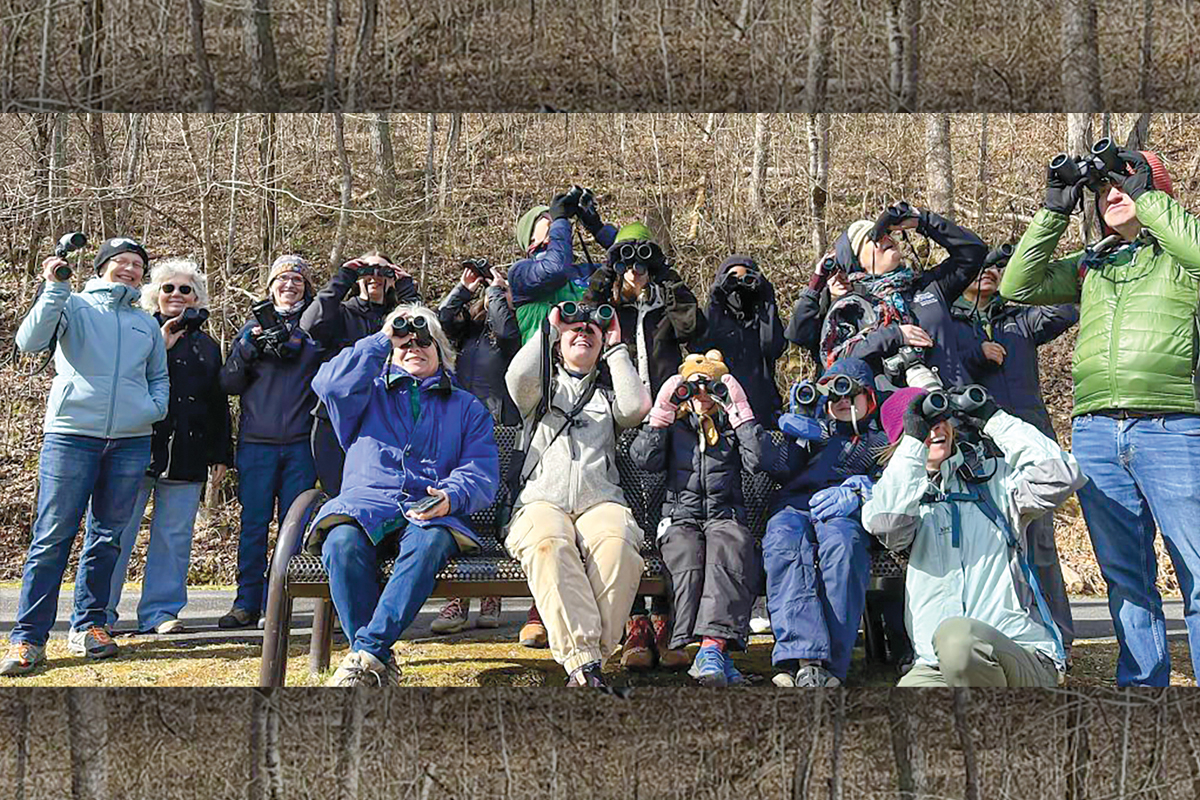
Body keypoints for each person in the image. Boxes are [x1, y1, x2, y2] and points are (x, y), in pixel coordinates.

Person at [1000, 145, 1200, 687]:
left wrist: (1143, 193)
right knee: (1125, 577)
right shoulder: (1095, 264)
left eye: (1125, 184)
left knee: (1197, 571)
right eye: (1102, 190)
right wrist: (1053, 210)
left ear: (1155, 191)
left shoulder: (1182, 256)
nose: (1111, 194)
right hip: (1095, 432)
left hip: (1174, 427)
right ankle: (1142, 689)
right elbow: (1016, 286)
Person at [1, 237, 167, 676]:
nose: (130, 270)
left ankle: (90, 626)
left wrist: (152, 409)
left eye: (137, 264)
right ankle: (28, 638)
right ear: (101, 268)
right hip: (72, 435)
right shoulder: (72, 305)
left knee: (108, 536)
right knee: (53, 536)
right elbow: (29, 341)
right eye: (121, 262)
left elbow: (158, 376)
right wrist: (53, 288)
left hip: (130, 441)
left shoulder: (144, 323)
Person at [309, 305, 499, 686]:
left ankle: (366, 656)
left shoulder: (466, 407)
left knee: (429, 542)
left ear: (442, 352)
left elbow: (481, 471)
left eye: (425, 340)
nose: (414, 347)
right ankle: (374, 658)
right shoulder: (365, 395)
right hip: (366, 505)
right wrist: (382, 339)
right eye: (404, 342)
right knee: (341, 543)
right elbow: (329, 384)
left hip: (431, 510)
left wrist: (450, 495)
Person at [862, 386, 1085, 687]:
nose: (935, 428)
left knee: (957, 639)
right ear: (903, 441)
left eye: (940, 419)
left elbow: (1061, 475)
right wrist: (914, 443)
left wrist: (994, 419)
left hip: (1019, 653)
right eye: (923, 424)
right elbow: (888, 525)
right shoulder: (896, 501)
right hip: (935, 665)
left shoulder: (997, 481)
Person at [504, 301, 652, 687]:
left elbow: (636, 408)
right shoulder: (538, 394)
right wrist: (549, 329)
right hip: (540, 501)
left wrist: (617, 345)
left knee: (619, 545)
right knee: (550, 544)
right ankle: (588, 666)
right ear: (558, 343)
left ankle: (586, 663)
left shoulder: (605, 398)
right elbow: (517, 377)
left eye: (592, 330)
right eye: (575, 329)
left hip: (599, 500)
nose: (583, 332)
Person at [584, 223, 706, 668]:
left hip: (669, 421)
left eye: (643, 261)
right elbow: (581, 323)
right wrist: (605, 275)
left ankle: (665, 616)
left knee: (667, 512)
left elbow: (694, 326)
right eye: (627, 261)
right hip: (615, 420)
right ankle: (633, 620)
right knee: (626, 514)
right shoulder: (607, 309)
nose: (636, 270)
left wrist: (666, 276)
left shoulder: (662, 306)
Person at [952, 244, 1079, 655]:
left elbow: (1067, 308)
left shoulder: (1019, 318)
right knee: (989, 543)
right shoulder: (948, 322)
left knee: (1040, 540)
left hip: (1028, 441)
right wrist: (976, 353)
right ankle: (1003, 637)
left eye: (995, 267)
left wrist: (1017, 284)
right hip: (978, 447)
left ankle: (1058, 636)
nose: (987, 272)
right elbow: (943, 369)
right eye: (979, 267)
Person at [508, 188, 619, 645]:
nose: (559, 228)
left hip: (594, 384)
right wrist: (558, 218)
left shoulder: (581, 271)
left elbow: (630, 261)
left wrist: (595, 224)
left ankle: (585, 634)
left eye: (559, 223)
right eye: (549, 225)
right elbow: (554, 264)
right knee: (551, 508)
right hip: (542, 387)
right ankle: (551, 617)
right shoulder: (525, 273)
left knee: (591, 511)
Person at [107, 259, 232, 635]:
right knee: (116, 534)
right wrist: (159, 345)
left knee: (174, 537)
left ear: (196, 298)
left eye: (185, 290)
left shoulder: (208, 346)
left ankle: (160, 613)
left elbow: (216, 401)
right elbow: (119, 381)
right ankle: (99, 614)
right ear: (154, 294)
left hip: (188, 455)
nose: (176, 295)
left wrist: (222, 454)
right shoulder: (135, 330)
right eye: (168, 288)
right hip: (134, 449)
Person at [629, 351, 767, 685]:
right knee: (688, 555)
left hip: (725, 514)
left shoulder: (731, 427)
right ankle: (711, 652)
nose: (703, 395)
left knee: (727, 550)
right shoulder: (675, 427)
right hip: (680, 516)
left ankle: (710, 647)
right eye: (694, 387)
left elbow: (759, 461)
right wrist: (661, 415)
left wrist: (741, 413)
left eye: (712, 387)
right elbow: (644, 460)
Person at [760, 357, 889, 687]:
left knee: (842, 548)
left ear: (869, 398)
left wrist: (864, 493)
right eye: (833, 395)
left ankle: (830, 664)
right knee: (784, 542)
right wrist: (795, 434)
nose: (842, 400)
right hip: (797, 506)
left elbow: (898, 483)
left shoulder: (882, 439)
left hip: (846, 513)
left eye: (850, 393)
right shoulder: (812, 433)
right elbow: (778, 470)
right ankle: (801, 656)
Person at [218, 255, 324, 629]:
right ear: (270, 286)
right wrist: (248, 346)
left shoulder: (315, 327)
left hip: (299, 444)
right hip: (256, 444)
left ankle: (276, 603)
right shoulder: (250, 329)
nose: (290, 285)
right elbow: (228, 384)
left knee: (292, 527)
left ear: (306, 288)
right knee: (254, 524)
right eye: (282, 279)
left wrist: (301, 340)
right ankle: (245, 602)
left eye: (297, 279)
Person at [430, 260, 521, 633]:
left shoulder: (512, 328)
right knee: (460, 503)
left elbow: (505, 327)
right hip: (460, 423)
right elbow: (443, 319)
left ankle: (491, 592)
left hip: (500, 424)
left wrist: (499, 291)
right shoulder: (467, 331)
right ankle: (457, 598)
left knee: (494, 506)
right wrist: (465, 289)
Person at [819, 204, 987, 391]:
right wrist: (894, 335)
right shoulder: (851, 307)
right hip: (900, 413)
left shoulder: (927, 286)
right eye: (873, 238)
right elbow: (835, 361)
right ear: (857, 262)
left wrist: (923, 220)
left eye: (887, 234)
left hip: (961, 401)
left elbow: (974, 252)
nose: (885, 238)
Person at [301, 251, 420, 497]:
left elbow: (427, 337)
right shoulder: (340, 313)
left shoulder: (398, 318)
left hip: (384, 417)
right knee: (337, 493)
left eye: (384, 272)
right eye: (367, 271)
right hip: (333, 417)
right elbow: (309, 325)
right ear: (357, 279)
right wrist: (342, 277)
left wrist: (408, 292)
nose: (375, 276)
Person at [510, 188, 618, 344]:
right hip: (545, 363)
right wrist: (560, 219)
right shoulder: (520, 273)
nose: (554, 222)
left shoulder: (585, 272)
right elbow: (556, 269)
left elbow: (632, 269)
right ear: (531, 237)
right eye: (547, 218)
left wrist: (598, 228)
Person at [692, 255, 787, 426]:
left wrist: (767, 299)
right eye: (732, 280)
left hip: (762, 409)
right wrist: (715, 301)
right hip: (722, 408)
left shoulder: (761, 319)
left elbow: (772, 346)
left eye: (746, 279)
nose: (739, 287)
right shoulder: (716, 319)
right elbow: (701, 348)